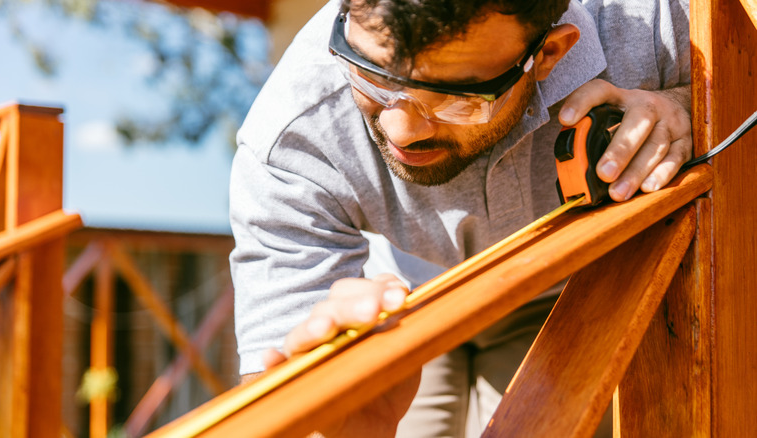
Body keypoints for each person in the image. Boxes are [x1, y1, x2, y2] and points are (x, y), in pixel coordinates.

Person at [229, 0, 692, 436]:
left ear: (549, 53)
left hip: (579, 289)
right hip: (408, 305)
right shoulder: (289, 140)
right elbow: (276, 400)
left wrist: (690, 106)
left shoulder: (660, 22)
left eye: (454, 98)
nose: (400, 131)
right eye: (371, 76)